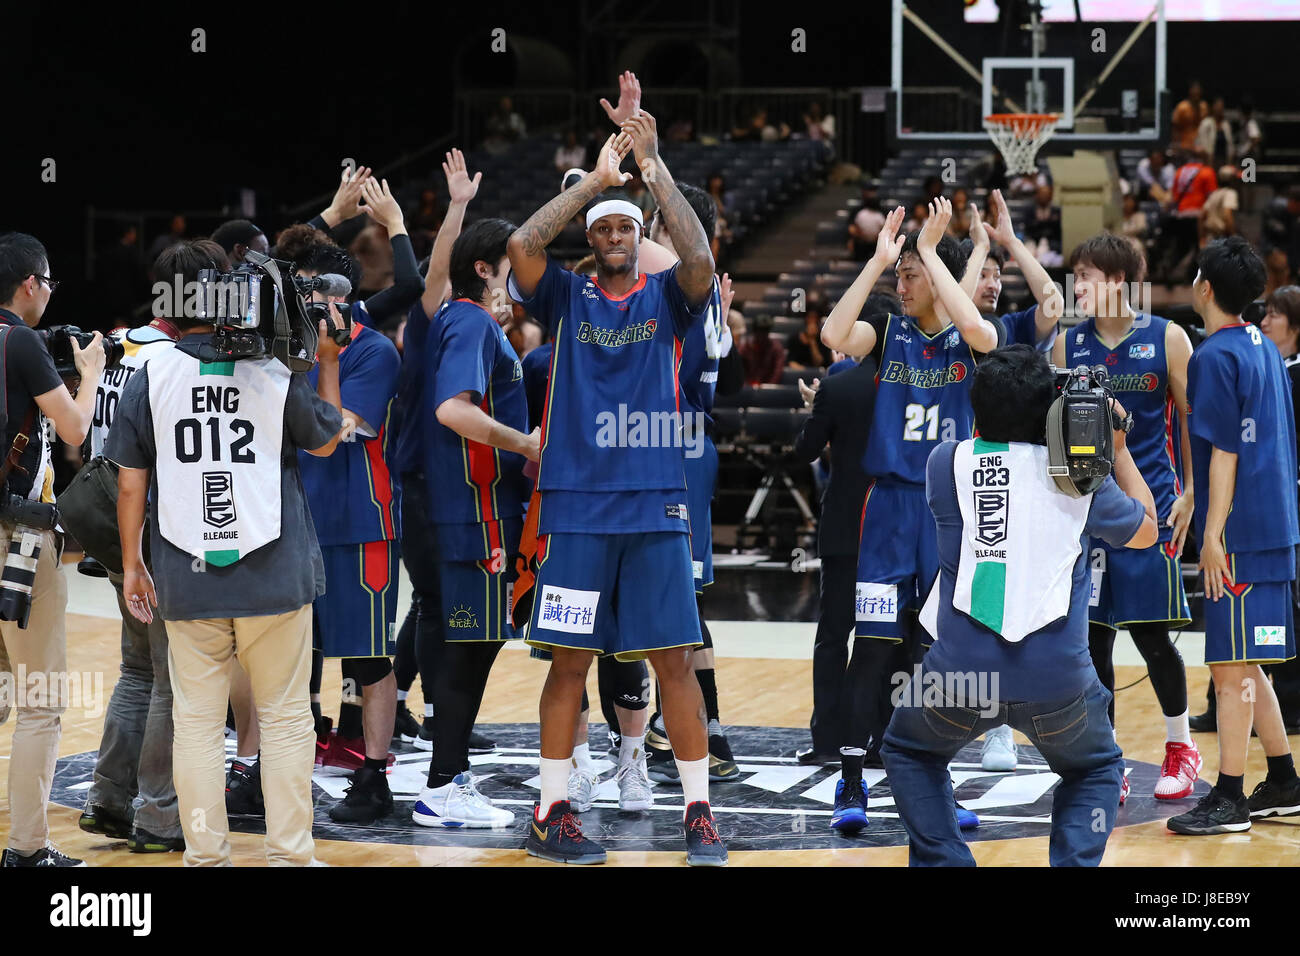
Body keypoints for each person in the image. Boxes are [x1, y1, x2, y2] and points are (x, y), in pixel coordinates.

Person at [506, 113, 727, 865]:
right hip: (577, 509)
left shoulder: (666, 298)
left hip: (656, 503)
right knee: (569, 663)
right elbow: (521, 247)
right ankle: (551, 811)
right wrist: (596, 183)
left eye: (623, 226)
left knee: (673, 659)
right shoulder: (566, 297)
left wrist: (654, 167)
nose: (612, 235)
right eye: (602, 227)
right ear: (592, 237)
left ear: (639, 234)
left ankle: (698, 811)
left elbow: (698, 256)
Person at [110, 250, 345, 866]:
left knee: (195, 723)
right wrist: (325, 360)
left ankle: (204, 856)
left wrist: (133, 562)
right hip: (273, 572)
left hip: (188, 576)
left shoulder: (150, 374)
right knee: (288, 718)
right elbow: (324, 442)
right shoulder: (270, 370)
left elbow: (130, 482)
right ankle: (291, 855)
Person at [882, 345, 1157, 866]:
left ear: (975, 407)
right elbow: (1148, 532)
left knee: (910, 752)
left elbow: (993, 456)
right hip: (1058, 681)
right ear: (1050, 411)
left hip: (959, 676)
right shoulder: (1081, 479)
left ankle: (947, 862)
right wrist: (1115, 448)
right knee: (1095, 769)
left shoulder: (945, 464)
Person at [819, 198, 1005, 831]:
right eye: (898, 275)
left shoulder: (969, 335)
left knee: (940, 657)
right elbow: (832, 336)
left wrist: (933, 252)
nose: (901, 285)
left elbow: (983, 335)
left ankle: (938, 779)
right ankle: (849, 782)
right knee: (870, 650)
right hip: (891, 508)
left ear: (936, 275)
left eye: (910, 274)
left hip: (950, 514)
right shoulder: (886, 331)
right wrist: (876, 265)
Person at [1053, 233, 1201, 802]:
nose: (1078, 287)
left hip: (1151, 506)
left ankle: (1180, 746)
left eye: (1086, 276)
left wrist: (1187, 493)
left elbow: (1192, 422)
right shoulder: (1068, 347)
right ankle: (1107, 758)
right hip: (1089, 512)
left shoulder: (1168, 338)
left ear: (1117, 281)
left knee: (1152, 636)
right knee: (1093, 642)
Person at [410, 216, 539, 829]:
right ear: (485, 269)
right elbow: (451, 410)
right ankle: (443, 784)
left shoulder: (469, 321)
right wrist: (525, 444)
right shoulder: (466, 320)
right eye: (513, 261)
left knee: (478, 646)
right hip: (474, 513)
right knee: (469, 649)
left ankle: (450, 777)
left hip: (477, 512)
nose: (523, 273)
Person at [1168, 237, 1300, 834]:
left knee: (1228, 669)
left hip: (1242, 531)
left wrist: (1213, 533)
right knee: (1249, 664)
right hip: (1274, 526)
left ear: (1205, 288)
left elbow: (1225, 452)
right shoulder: (1263, 346)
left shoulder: (1212, 354)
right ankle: (1284, 781)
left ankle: (1229, 798)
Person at [77, 242, 195, 855]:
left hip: (113, 526)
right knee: (168, 678)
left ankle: (106, 796)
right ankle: (155, 813)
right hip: (152, 528)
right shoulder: (173, 360)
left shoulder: (123, 342)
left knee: (137, 670)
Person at [0, 233, 107, 868]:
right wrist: (88, 376)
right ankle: (28, 849)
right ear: (30, 283)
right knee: (41, 700)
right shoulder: (19, 342)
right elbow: (74, 427)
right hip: (22, 538)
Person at [294, 242, 403, 825]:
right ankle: (269, 768)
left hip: (361, 521)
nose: (313, 319)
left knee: (368, 657)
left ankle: (374, 774)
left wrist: (327, 362)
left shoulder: (376, 352)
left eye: (320, 308)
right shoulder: (296, 351)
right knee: (290, 656)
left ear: (343, 306)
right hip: (299, 520)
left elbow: (337, 428)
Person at [792, 300, 882, 764]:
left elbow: (805, 450)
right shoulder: (912, 388)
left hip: (846, 524)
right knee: (891, 637)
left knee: (833, 636)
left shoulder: (838, 385)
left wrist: (816, 412)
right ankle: (884, 740)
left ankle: (828, 740)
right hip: (895, 528)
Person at [740, 313, 787, 383]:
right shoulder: (746, 347)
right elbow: (740, 370)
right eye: (759, 331)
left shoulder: (776, 348)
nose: (761, 335)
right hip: (748, 388)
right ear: (754, 332)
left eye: (765, 331)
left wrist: (766, 389)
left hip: (768, 389)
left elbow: (777, 372)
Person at [1201, 167, 1240, 243]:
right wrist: (1233, 235)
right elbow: (1227, 215)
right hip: (1223, 238)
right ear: (1231, 180)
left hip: (1211, 238)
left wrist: (1202, 238)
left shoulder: (1214, 194)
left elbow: (1202, 216)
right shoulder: (1230, 193)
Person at [1196, 98, 1234, 172]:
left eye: (1221, 106)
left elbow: (1230, 145)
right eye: (1217, 106)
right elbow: (1200, 143)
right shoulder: (1206, 123)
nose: (1219, 108)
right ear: (1213, 107)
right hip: (1209, 161)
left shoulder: (1226, 125)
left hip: (1224, 161)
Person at [1171, 81, 1207, 152]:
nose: (1196, 92)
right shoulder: (1182, 107)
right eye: (1194, 90)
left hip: (1201, 147)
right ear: (1190, 91)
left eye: (1198, 90)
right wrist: (1176, 146)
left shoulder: (1204, 107)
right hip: (1184, 147)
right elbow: (1175, 128)